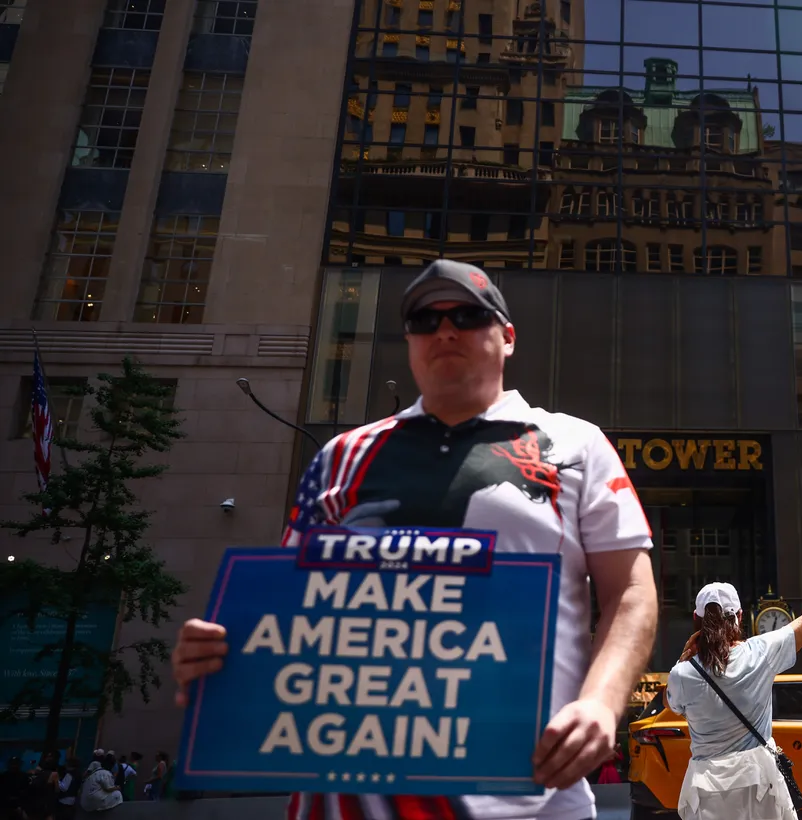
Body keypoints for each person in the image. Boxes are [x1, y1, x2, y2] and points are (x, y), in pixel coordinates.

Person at [170, 260, 660, 820]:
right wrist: (221, 655)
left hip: (531, 800)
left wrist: (600, 703)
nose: (445, 330)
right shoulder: (340, 457)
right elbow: (285, 615)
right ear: (408, 342)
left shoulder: (575, 444)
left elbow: (631, 592)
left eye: (469, 315)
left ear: (508, 337)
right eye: (425, 320)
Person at [667, 546, 802, 820]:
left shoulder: (683, 674)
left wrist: (683, 658)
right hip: (759, 784)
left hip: (708, 791)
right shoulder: (761, 653)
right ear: (740, 617)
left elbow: (672, 705)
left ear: (697, 621)